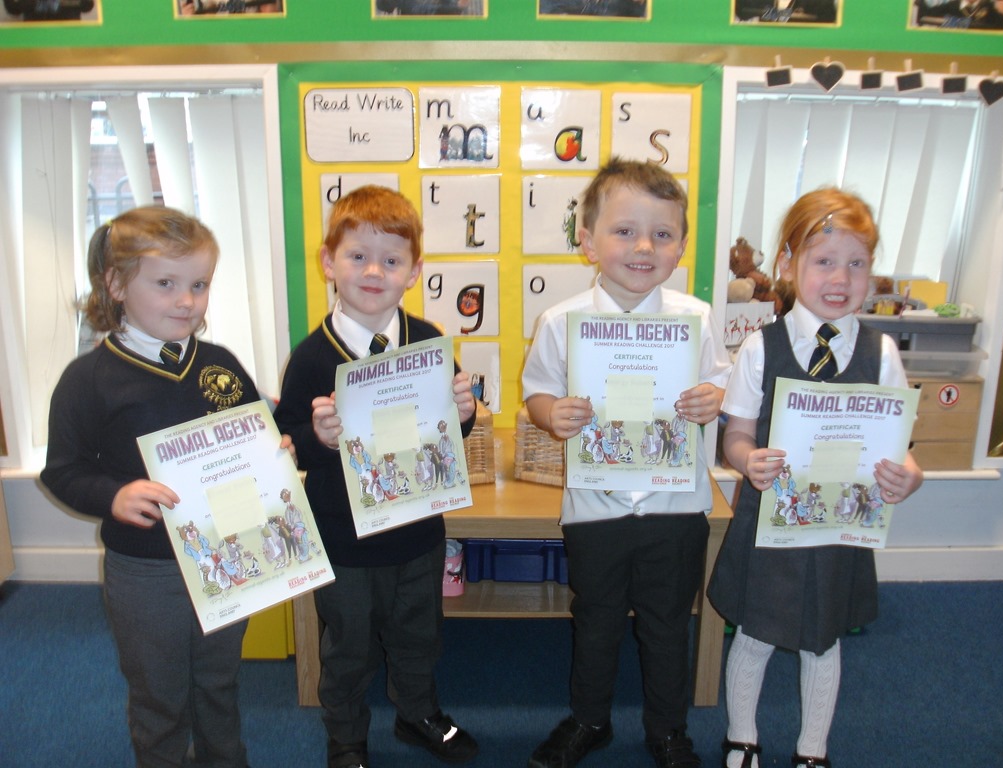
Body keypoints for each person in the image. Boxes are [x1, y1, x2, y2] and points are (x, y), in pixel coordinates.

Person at [40, 206, 272, 767]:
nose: (187, 300)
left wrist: (274, 451)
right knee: (158, 692)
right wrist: (114, 496)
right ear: (116, 285)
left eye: (199, 284)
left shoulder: (220, 364)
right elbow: (63, 470)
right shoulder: (87, 379)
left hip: (226, 554)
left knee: (219, 680)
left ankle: (225, 759)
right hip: (146, 570)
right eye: (165, 284)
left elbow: (256, 438)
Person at [521, 158, 732, 768]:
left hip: (676, 506)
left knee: (667, 624)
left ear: (681, 247)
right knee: (596, 621)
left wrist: (712, 399)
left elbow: (721, 386)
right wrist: (552, 414)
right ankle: (589, 720)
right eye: (625, 231)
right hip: (596, 507)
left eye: (662, 234)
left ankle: (668, 730)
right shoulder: (560, 322)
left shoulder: (696, 318)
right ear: (588, 242)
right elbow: (537, 394)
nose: (644, 247)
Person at [707, 188, 925, 768]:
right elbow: (736, 435)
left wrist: (910, 476)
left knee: (822, 643)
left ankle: (812, 749)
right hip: (770, 524)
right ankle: (742, 738)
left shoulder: (882, 353)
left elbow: (900, 447)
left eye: (856, 263)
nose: (840, 278)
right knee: (754, 635)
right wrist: (747, 460)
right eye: (824, 260)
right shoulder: (760, 348)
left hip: (837, 531)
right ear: (787, 264)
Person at [273, 185, 479, 768]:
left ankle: (417, 714)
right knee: (348, 646)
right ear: (328, 262)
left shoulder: (429, 341)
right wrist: (318, 438)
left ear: (413, 272)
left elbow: (448, 433)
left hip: (418, 531)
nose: (373, 271)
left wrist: (463, 415)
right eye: (358, 256)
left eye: (391, 260)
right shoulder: (311, 357)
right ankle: (346, 735)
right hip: (345, 539)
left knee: (419, 634)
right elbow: (289, 443)